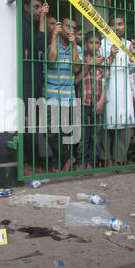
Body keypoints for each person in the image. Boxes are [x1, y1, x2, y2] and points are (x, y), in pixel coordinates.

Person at [43, 16, 82, 172]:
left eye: (73, 27)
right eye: (67, 26)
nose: (70, 30)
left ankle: (58, 164)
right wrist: (53, 36)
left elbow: (76, 69)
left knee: (67, 133)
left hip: (68, 97)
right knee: (50, 132)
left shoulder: (77, 48)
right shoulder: (52, 44)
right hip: (51, 96)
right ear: (61, 27)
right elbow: (52, 60)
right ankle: (67, 159)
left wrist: (73, 45)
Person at [99, 14, 135, 166]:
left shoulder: (128, 44)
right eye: (114, 24)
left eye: (121, 24)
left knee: (125, 125)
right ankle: (107, 158)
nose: (118, 27)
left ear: (125, 26)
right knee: (107, 125)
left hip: (125, 88)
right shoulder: (102, 43)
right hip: (108, 87)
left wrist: (133, 55)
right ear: (109, 26)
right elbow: (99, 67)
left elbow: (133, 70)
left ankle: (119, 158)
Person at [74, 31, 112, 169]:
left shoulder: (103, 61)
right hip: (83, 102)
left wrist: (102, 101)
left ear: (100, 45)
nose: (94, 45)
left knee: (96, 136)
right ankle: (80, 162)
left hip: (98, 103)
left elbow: (105, 81)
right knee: (83, 135)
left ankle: (92, 162)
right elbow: (76, 81)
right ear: (85, 44)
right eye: (91, 42)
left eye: (97, 43)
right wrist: (89, 64)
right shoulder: (81, 59)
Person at [22, 0, 49, 173]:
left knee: (35, 123)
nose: (39, 10)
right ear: (26, 7)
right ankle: (25, 162)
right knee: (27, 123)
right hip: (26, 80)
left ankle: (33, 161)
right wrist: (42, 20)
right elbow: (38, 44)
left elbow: (44, 43)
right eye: (36, 7)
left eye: (41, 8)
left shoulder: (32, 24)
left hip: (36, 79)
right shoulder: (24, 25)